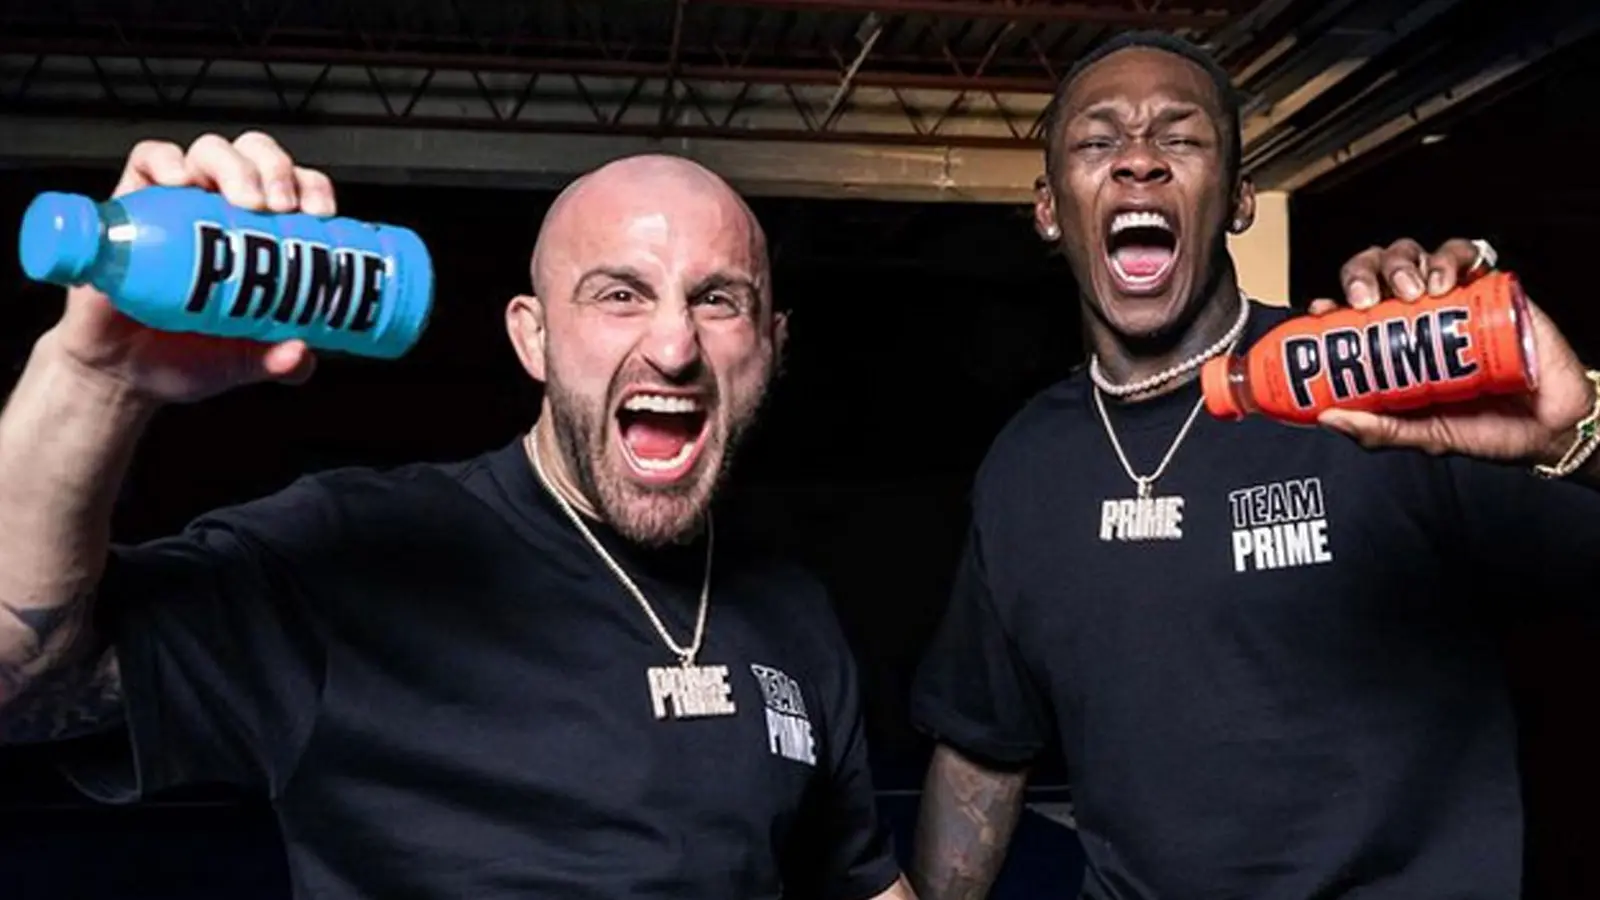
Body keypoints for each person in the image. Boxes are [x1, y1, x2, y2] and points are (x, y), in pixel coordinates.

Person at [0, 132, 915, 900]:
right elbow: (23, 681)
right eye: (619, 293)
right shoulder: (358, 554)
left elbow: (858, 877)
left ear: (771, 346)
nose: (674, 345)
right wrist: (92, 382)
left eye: (718, 300)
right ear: (534, 336)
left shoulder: (792, 612)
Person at [907, 31, 1600, 900]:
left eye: (1180, 137)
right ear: (1049, 209)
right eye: (1097, 140)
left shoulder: (1380, 392)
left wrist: (1580, 431)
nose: (1138, 164)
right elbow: (981, 754)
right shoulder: (1023, 466)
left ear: (1238, 200)